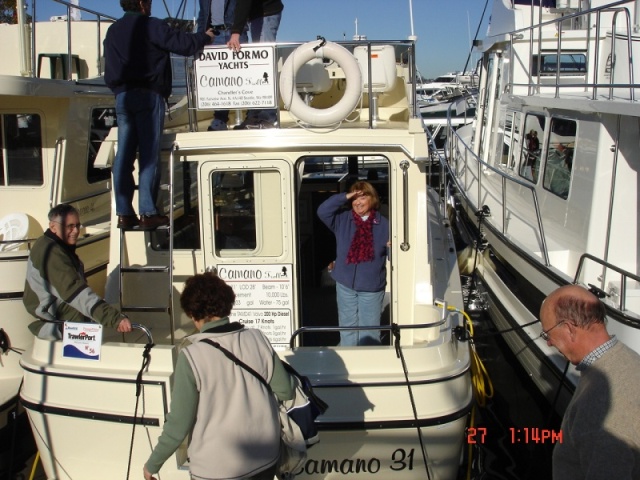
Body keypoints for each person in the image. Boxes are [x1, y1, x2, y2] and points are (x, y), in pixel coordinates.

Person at [143, 272, 294, 480]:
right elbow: (285, 390)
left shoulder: (191, 356)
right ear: (226, 304)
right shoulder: (258, 338)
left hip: (215, 470)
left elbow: (178, 425)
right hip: (264, 459)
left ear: (193, 314)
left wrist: (153, 464)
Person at [104, 0, 214, 230]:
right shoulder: (152, 26)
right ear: (143, 4)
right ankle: (148, 212)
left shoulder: (113, 30)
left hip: (122, 96)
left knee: (123, 156)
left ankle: (124, 213)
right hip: (148, 95)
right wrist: (205, 36)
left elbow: (110, 68)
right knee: (149, 155)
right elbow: (184, 45)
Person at [539, 285, 640, 479]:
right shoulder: (628, 358)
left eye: (547, 333)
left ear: (569, 329)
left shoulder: (598, 409)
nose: (549, 342)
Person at [23, 204, 132, 340]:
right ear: (53, 227)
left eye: (77, 226)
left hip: (62, 317)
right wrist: (114, 319)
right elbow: (76, 292)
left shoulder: (53, 244)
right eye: (70, 226)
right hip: (56, 323)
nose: (75, 231)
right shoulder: (51, 253)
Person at [317, 181, 389, 346]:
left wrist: (391, 248)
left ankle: (368, 366)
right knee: (347, 328)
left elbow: (394, 253)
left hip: (371, 287)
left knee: (369, 331)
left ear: (373, 199)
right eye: (355, 198)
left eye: (363, 197)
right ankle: (349, 362)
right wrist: (346, 195)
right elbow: (323, 210)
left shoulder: (384, 224)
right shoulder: (342, 219)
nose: (358, 202)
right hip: (345, 284)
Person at [227, 0, 284, 129]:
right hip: (258, 15)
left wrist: (236, 32)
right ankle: (256, 114)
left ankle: (269, 117)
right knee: (258, 66)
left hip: (266, 13)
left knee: (264, 65)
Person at [197, 0, 249, 131]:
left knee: (244, 75)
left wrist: (237, 31)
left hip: (235, 32)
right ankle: (220, 119)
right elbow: (203, 13)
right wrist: (200, 37)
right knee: (218, 80)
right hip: (214, 34)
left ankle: (250, 116)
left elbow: (244, 6)